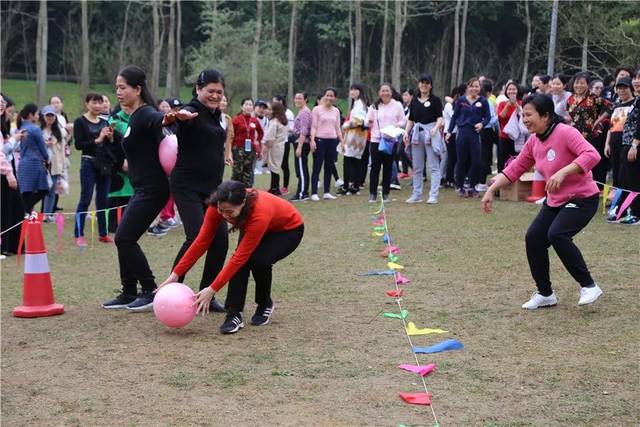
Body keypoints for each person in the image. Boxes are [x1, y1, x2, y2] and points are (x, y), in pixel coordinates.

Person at [481, 94, 603, 310]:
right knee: (534, 238)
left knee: (557, 234)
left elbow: (592, 155)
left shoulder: (566, 132)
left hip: (582, 198)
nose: (524, 119)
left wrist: (563, 172)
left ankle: (589, 286)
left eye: (528, 115)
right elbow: (515, 168)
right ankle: (545, 294)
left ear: (546, 116)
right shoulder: (534, 141)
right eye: (522, 115)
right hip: (556, 200)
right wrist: (491, 189)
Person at [161, 180, 304, 334]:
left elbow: (239, 258)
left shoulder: (259, 214)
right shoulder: (217, 206)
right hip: (253, 223)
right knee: (243, 261)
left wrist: (212, 289)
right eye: (221, 210)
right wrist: (176, 273)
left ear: (243, 203)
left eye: (229, 212)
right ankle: (234, 314)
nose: (224, 215)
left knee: (258, 260)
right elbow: (202, 241)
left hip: (287, 229)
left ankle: (264, 304)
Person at [162, 69, 231, 313]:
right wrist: (174, 118)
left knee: (221, 241)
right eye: (210, 91)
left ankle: (207, 295)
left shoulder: (215, 114)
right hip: (187, 186)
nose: (214, 95)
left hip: (212, 190)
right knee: (196, 237)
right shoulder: (190, 112)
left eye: (219, 92)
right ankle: (170, 289)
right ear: (198, 89)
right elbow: (174, 121)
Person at [102, 65, 169, 311]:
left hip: (153, 188)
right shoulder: (133, 117)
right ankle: (129, 291)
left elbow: (161, 121)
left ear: (137, 89)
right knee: (123, 236)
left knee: (124, 237)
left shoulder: (146, 114)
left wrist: (171, 117)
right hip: (141, 187)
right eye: (117, 87)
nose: (118, 92)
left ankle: (150, 290)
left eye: (123, 87)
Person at [73, 93, 116, 247]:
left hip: (104, 164)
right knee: (85, 199)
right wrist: (97, 139)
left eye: (100, 102)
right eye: (94, 102)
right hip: (88, 163)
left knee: (103, 199)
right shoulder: (80, 121)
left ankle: (103, 234)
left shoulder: (105, 122)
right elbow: (78, 145)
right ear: (87, 104)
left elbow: (110, 145)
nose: (98, 105)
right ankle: (78, 234)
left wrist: (110, 137)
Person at [446, 77, 491, 197]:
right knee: (461, 161)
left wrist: (482, 124)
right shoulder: (461, 100)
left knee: (476, 161)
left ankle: (472, 185)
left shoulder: (483, 101)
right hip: (462, 133)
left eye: (476, 86)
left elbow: (488, 117)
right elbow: (454, 117)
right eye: (471, 86)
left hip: (475, 134)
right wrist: (450, 131)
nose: (474, 89)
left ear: (479, 88)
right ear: (468, 88)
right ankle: (460, 186)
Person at [403, 73, 444, 204]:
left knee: (433, 166)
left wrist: (435, 128)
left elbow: (440, 117)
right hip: (417, 134)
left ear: (430, 86)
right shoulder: (414, 100)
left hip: (431, 134)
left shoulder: (435, 100)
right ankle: (416, 194)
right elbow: (411, 119)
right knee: (417, 166)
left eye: (426, 83)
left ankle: (433, 195)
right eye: (422, 82)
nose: (424, 85)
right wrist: (406, 132)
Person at [567, 71, 612, 186]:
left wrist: (598, 121)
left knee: (592, 161)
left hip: (592, 135)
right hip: (575, 135)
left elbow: (610, 107)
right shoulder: (570, 99)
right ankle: (578, 184)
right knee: (577, 160)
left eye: (582, 83)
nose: (579, 86)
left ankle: (596, 187)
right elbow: (571, 115)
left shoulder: (593, 98)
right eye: (577, 83)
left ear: (587, 85)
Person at [365, 83, 405, 203]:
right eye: (383, 91)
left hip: (390, 140)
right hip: (376, 140)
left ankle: (386, 193)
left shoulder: (397, 105)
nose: (385, 93)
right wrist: (369, 122)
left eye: (387, 90)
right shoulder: (374, 106)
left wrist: (396, 126)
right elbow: (367, 121)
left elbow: (403, 120)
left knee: (388, 167)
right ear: (379, 93)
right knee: (375, 168)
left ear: (391, 92)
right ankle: (372, 194)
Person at [613, 69, 640, 225]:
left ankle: (636, 214)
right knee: (625, 179)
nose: (637, 81)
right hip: (626, 143)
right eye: (636, 78)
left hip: (634, 145)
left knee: (634, 180)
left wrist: (634, 145)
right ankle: (626, 211)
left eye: (639, 79)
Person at [0, 94, 25, 256]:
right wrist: (9, 174)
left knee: (16, 208)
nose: (2, 105)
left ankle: (14, 246)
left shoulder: (3, 125)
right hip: (4, 172)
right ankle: (4, 247)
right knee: (5, 211)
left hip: (8, 169)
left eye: (2, 102)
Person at [310, 87, 343, 201]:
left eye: (331, 96)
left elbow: (337, 128)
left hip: (332, 140)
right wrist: (312, 140)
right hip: (320, 140)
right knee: (317, 166)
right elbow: (314, 126)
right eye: (327, 95)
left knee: (329, 166)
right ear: (323, 96)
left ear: (335, 98)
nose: (329, 97)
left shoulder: (336, 111)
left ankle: (326, 192)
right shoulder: (316, 110)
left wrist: (342, 141)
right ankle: (314, 192)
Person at [604, 77, 635, 196]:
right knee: (616, 171)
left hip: (627, 143)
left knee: (626, 172)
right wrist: (607, 144)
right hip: (614, 143)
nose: (622, 91)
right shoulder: (615, 106)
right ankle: (617, 199)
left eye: (625, 88)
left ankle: (628, 198)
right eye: (619, 88)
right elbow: (610, 127)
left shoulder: (635, 104)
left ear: (630, 89)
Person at [16, 104, 50, 214]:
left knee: (26, 192)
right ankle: (25, 210)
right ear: (31, 115)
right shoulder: (35, 129)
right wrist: (47, 158)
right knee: (43, 189)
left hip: (23, 163)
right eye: (36, 114)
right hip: (35, 163)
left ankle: (24, 211)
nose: (38, 116)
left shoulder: (21, 127)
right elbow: (43, 148)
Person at [339, 83, 369, 195]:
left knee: (348, 161)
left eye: (355, 89)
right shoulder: (358, 103)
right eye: (351, 89)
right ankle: (354, 185)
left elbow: (359, 120)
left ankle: (347, 186)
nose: (353, 92)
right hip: (359, 136)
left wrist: (346, 125)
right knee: (355, 161)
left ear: (360, 91)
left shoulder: (360, 103)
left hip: (355, 135)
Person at [39, 105, 68, 220]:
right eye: (47, 115)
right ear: (43, 117)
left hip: (55, 165)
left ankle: (48, 215)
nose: (50, 118)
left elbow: (62, 151)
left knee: (51, 191)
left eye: (52, 115)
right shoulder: (39, 130)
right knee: (41, 190)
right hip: (42, 164)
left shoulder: (59, 132)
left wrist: (62, 167)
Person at [231, 98, 264, 187]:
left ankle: (247, 193)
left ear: (253, 108)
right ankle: (234, 191)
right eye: (246, 104)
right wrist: (230, 149)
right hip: (238, 149)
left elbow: (261, 133)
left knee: (248, 172)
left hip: (250, 149)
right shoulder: (236, 120)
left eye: (250, 105)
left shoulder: (254, 120)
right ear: (242, 107)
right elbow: (231, 135)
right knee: (238, 171)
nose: (248, 107)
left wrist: (257, 141)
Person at [496, 81, 523, 172]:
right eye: (509, 89)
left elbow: (524, 116)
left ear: (518, 90)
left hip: (518, 137)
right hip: (504, 137)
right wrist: (508, 106)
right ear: (506, 91)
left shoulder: (522, 103)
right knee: (502, 160)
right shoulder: (502, 104)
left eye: (514, 89)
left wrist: (516, 106)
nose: (511, 91)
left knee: (516, 160)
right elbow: (501, 117)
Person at [290, 91, 312, 201]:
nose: (297, 100)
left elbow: (304, 131)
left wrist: (299, 146)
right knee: (300, 168)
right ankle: (301, 191)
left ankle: (302, 193)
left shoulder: (304, 112)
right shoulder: (301, 112)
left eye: (300, 98)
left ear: (305, 100)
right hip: (298, 141)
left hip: (302, 143)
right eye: (296, 98)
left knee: (302, 169)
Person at [264, 101, 288, 195]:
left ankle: (275, 188)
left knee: (273, 168)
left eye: (270, 109)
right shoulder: (284, 121)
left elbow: (270, 138)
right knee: (276, 167)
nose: (269, 111)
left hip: (274, 147)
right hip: (281, 146)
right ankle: (274, 187)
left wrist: (265, 148)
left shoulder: (274, 122)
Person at [273, 94, 295, 195]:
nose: (274, 103)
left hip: (284, 142)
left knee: (284, 165)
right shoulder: (275, 113)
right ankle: (275, 187)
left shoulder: (288, 113)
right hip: (275, 143)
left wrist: (281, 128)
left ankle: (285, 187)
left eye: (275, 101)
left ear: (281, 101)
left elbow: (291, 128)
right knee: (275, 165)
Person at [253, 99, 270, 177]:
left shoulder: (266, 120)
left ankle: (260, 169)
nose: (262, 110)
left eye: (264, 108)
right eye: (260, 107)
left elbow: (266, 133)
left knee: (261, 153)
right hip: (252, 140)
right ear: (255, 108)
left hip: (261, 140)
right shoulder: (252, 118)